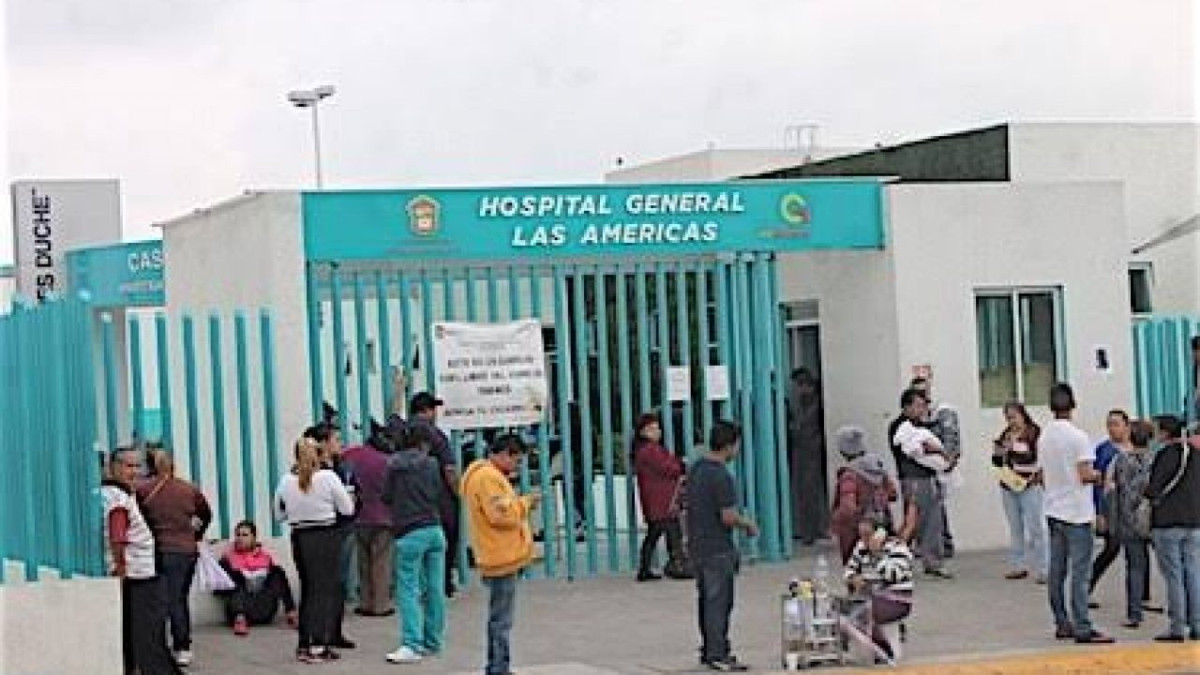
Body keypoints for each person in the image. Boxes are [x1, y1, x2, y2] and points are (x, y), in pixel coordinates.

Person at [461, 434, 541, 675]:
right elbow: (501, 515)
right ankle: (498, 667)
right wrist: (525, 504)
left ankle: (498, 665)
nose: (517, 467)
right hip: (500, 556)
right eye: (516, 461)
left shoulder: (487, 476)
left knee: (500, 617)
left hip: (499, 553)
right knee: (501, 619)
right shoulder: (488, 479)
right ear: (505, 454)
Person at [1040, 383, 1113, 644]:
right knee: (1080, 573)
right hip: (1077, 512)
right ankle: (1083, 625)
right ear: (1073, 405)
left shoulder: (1045, 435)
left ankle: (1061, 621)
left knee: (1057, 570)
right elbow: (1085, 474)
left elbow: (1042, 474)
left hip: (1054, 508)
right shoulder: (1078, 437)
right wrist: (1101, 476)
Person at [274, 437, 356, 664]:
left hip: (300, 536)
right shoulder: (328, 478)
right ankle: (318, 643)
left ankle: (304, 642)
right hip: (325, 535)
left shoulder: (285, 481)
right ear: (319, 454)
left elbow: (279, 514)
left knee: (308, 588)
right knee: (323, 590)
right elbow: (347, 509)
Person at [102, 447, 182, 675]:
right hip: (139, 575)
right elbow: (119, 535)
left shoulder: (121, 494)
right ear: (113, 467)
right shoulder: (117, 497)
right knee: (149, 637)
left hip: (137, 573)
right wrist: (121, 566)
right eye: (128, 466)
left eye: (138, 466)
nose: (134, 472)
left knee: (137, 635)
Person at [688, 420, 758, 672]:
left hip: (698, 544)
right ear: (730, 445)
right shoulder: (721, 476)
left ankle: (709, 649)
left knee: (706, 599)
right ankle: (719, 652)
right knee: (720, 602)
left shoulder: (696, 469)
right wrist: (747, 524)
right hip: (718, 546)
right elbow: (727, 516)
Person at [136, 450, 212, 668]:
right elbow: (205, 513)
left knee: (161, 600)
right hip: (186, 551)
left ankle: (168, 644)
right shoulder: (189, 489)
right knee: (179, 598)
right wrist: (195, 534)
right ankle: (183, 646)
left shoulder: (144, 491)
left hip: (159, 549)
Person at [382, 421, 448, 664]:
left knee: (408, 589)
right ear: (424, 444)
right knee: (435, 588)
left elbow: (386, 495)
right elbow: (438, 492)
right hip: (434, 527)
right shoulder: (432, 465)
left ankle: (412, 643)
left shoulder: (394, 465)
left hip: (409, 531)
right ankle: (433, 640)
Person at [1145, 414, 1200, 642]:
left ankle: (1177, 626)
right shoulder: (1195, 454)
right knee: (1193, 572)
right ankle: (1197, 623)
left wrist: (1148, 494)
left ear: (1165, 432)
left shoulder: (1165, 455)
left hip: (1168, 521)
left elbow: (1153, 488)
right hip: (1194, 520)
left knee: (1173, 576)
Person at [305, 422, 359, 649]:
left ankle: (335, 630)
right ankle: (318, 632)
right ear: (324, 443)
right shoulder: (312, 471)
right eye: (336, 439)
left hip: (344, 527)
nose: (341, 443)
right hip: (321, 530)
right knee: (321, 584)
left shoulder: (343, 467)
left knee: (340, 582)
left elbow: (356, 491)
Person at [888, 388, 952, 579]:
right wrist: (937, 452)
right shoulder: (901, 427)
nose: (922, 409)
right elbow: (915, 450)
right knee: (917, 523)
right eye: (918, 405)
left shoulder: (922, 426)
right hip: (914, 479)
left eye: (924, 405)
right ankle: (900, 558)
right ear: (907, 406)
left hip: (927, 477)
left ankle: (925, 559)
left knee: (928, 521)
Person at [407, 389, 462, 598]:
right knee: (445, 541)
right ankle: (442, 584)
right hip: (440, 497)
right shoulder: (434, 434)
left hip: (410, 498)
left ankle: (421, 585)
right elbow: (449, 468)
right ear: (427, 411)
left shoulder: (402, 430)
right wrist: (458, 492)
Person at [342, 419, 397, 617]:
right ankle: (381, 605)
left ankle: (365, 602)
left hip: (360, 516)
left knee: (363, 562)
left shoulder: (356, 458)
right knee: (381, 562)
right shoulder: (387, 462)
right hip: (383, 517)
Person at [843, 518, 915, 661]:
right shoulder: (860, 547)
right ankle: (846, 649)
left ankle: (884, 650)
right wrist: (853, 578)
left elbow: (893, 575)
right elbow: (849, 570)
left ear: (880, 534)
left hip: (896, 598)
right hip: (869, 596)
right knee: (840, 611)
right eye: (861, 534)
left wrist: (877, 555)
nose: (864, 539)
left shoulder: (898, 548)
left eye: (868, 534)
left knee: (864, 613)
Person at [1107, 420, 1156, 629]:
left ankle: (1134, 613)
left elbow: (1112, 489)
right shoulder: (1156, 460)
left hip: (1128, 518)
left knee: (1134, 567)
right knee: (1172, 566)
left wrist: (1112, 520)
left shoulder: (1121, 460)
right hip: (1154, 518)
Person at [990, 401, 1046, 582]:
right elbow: (997, 461)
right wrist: (999, 452)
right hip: (1009, 483)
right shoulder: (1005, 435)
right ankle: (1018, 565)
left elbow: (1033, 456)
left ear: (1023, 415)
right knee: (1015, 527)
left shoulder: (1033, 432)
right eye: (1008, 418)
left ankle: (1045, 567)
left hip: (1029, 484)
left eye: (1014, 417)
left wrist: (1012, 449)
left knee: (1035, 526)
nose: (1011, 421)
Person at [633, 412, 690, 581]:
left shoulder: (643, 450)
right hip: (662, 500)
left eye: (657, 428)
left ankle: (645, 569)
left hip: (655, 500)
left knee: (654, 534)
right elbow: (669, 468)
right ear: (642, 432)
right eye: (651, 428)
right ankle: (678, 564)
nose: (657, 431)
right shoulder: (650, 450)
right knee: (672, 532)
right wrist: (681, 465)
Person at [829, 426, 898, 564]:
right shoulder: (878, 468)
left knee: (857, 569)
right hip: (882, 524)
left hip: (857, 530)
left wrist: (837, 522)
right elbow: (893, 494)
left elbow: (848, 507)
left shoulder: (849, 475)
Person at [217, 520, 298, 635]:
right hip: (239, 609)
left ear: (253, 538)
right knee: (235, 577)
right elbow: (218, 590)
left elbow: (276, 585)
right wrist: (239, 576)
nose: (240, 538)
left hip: (263, 606)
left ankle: (291, 614)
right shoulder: (228, 558)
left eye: (245, 535)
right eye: (238, 535)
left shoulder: (265, 557)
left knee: (277, 571)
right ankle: (241, 621)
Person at [910, 376, 960, 558]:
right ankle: (930, 543)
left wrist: (949, 459)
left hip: (940, 466)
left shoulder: (942, 411)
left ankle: (944, 544)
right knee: (928, 506)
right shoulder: (916, 415)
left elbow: (951, 438)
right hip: (923, 467)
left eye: (924, 391)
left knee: (937, 506)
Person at [1088, 410, 1130, 606]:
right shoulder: (1103, 450)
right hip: (1110, 507)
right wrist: (1098, 512)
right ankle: (1087, 587)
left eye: (1116, 424)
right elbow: (1096, 483)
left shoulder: (1135, 447)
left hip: (1132, 509)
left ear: (1126, 425)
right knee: (1111, 549)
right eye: (1109, 424)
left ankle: (1140, 596)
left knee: (1138, 553)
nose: (1112, 428)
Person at [789, 368, 829, 545]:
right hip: (803, 450)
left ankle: (812, 530)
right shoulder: (801, 404)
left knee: (810, 492)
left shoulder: (816, 405)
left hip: (811, 450)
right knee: (804, 492)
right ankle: (809, 529)